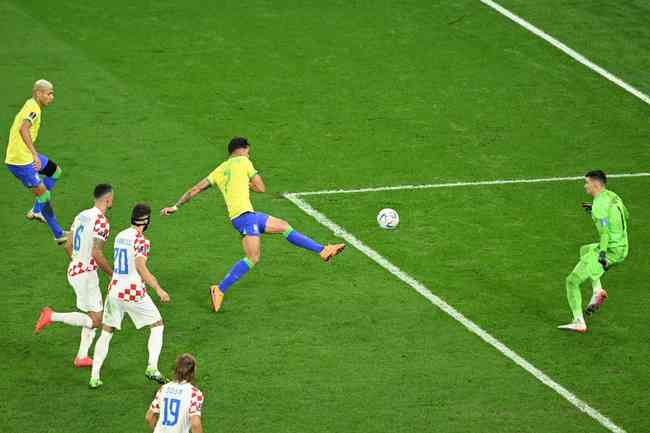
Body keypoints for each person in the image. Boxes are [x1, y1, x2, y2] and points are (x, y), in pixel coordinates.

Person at [161, 137, 345, 312]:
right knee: (252, 258)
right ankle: (219, 289)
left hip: (246, 216)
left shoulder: (219, 169)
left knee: (283, 226)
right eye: (248, 152)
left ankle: (322, 250)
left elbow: (195, 189)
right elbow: (261, 188)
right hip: (244, 218)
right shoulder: (243, 162)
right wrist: (248, 183)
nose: (249, 155)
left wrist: (175, 206)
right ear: (242, 150)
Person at [89, 204, 170, 388]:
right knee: (157, 324)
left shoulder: (121, 236)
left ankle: (94, 376)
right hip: (132, 292)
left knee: (107, 331)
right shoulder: (142, 240)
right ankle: (152, 367)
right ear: (146, 221)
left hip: (114, 291)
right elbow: (141, 267)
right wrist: (158, 288)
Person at [33, 184, 114, 367]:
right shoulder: (101, 221)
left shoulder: (81, 216)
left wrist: (76, 262)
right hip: (86, 274)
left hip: (75, 269)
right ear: (108, 199)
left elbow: (68, 243)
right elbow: (96, 252)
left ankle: (82, 357)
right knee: (96, 320)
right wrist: (112, 275)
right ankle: (51, 316)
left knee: (91, 314)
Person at [558, 170, 629, 333]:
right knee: (585, 249)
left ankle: (578, 322)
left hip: (609, 251)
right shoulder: (613, 196)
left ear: (596, 184)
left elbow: (604, 234)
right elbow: (626, 215)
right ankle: (597, 290)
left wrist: (602, 255)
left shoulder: (599, 206)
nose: (585, 186)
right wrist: (599, 212)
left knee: (572, 281)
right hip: (622, 247)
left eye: (587, 183)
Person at [5, 79, 66, 243]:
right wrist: (34, 154)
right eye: (49, 93)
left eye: (52, 93)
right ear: (38, 93)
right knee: (44, 195)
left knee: (55, 171)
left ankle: (37, 209)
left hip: (25, 155)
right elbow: (23, 128)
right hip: (20, 161)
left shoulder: (31, 104)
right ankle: (59, 234)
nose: (51, 97)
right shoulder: (33, 108)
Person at [146, 353, 204, 433]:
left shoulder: (163, 389)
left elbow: (149, 417)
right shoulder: (194, 394)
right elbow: (195, 424)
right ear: (193, 372)